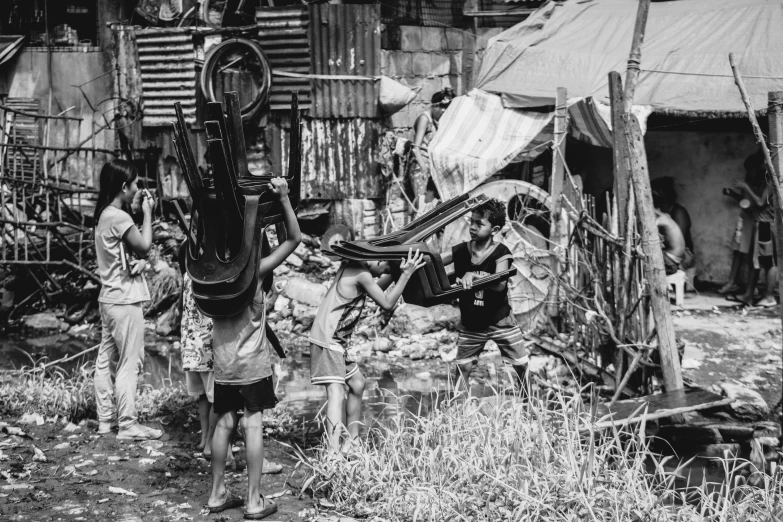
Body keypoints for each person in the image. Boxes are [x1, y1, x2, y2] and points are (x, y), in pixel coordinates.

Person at [205, 177, 299, 519]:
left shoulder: (211, 276)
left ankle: (216, 494)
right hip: (251, 364)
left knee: (225, 424)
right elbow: (294, 239)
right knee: (253, 424)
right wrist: (285, 198)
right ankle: (254, 500)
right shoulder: (255, 272)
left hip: (223, 363)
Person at [309, 249, 425, 454]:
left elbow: (377, 289)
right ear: (377, 258)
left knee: (357, 383)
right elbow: (387, 303)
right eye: (384, 269)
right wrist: (405, 274)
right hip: (328, 341)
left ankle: (351, 443)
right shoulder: (361, 273)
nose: (381, 275)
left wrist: (397, 271)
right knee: (336, 393)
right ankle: (332, 454)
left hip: (334, 342)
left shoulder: (354, 269)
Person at [93, 159, 162, 441]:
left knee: (104, 360)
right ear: (124, 187)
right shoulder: (120, 218)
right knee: (129, 363)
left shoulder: (103, 215)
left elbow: (125, 257)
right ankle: (129, 424)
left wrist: (141, 263)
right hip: (125, 300)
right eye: (134, 184)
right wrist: (147, 213)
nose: (137, 190)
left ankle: (105, 421)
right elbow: (145, 247)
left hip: (109, 298)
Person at [440, 199, 528, 394]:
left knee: (521, 366)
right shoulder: (462, 250)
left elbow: (500, 284)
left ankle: (529, 407)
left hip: (500, 321)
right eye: (472, 221)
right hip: (472, 323)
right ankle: (456, 413)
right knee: (463, 368)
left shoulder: (501, 252)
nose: (472, 227)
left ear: (494, 229)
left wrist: (475, 275)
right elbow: (435, 260)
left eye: (479, 224)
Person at [732, 157, 778, 307]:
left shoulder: (771, 182)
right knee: (755, 261)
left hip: (766, 225)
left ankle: (769, 297)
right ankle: (748, 295)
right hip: (761, 224)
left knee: (769, 262)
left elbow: (760, 202)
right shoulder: (766, 181)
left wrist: (746, 187)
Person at [718, 152, 760, 295]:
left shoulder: (760, 185)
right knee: (738, 252)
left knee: (750, 255)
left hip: (752, 222)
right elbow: (745, 202)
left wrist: (746, 188)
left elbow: (757, 206)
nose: (749, 172)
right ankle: (732, 282)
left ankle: (751, 287)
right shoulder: (749, 182)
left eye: (751, 169)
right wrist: (733, 194)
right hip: (744, 220)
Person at [410, 89, 453, 198]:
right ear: (435, 107)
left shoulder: (435, 121)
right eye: (443, 109)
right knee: (421, 205)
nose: (444, 113)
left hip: (432, 169)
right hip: (420, 168)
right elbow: (416, 147)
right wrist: (423, 167)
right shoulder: (424, 119)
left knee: (431, 205)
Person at [652, 177, 695, 270]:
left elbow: (679, 238)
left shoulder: (679, 212)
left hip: (683, 254)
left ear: (661, 192)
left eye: (653, 192)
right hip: (669, 252)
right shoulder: (663, 212)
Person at [655, 209, 687, 276]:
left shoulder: (660, 220)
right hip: (677, 259)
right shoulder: (668, 218)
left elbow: (651, 227)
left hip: (671, 259)